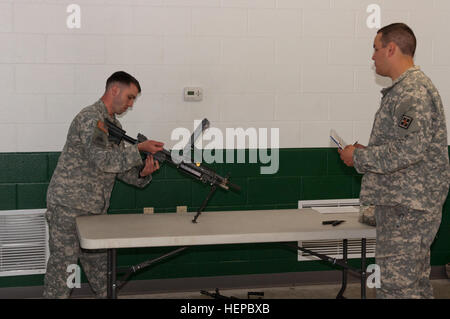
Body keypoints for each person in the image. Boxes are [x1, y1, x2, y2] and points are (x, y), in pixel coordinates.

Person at [339, 23, 449, 299]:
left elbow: (409, 150)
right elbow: (405, 145)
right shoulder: (407, 90)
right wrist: (368, 150)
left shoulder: (412, 92)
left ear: (391, 49)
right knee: (413, 287)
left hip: (408, 209)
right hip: (405, 206)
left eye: (375, 49)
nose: (372, 56)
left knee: (398, 289)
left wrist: (359, 157)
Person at [43, 71, 164, 298]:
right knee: (63, 275)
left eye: (134, 99)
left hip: (95, 213)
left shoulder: (112, 125)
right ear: (114, 89)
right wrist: (138, 149)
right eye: (130, 97)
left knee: (104, 278)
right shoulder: (92, 119)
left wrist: (142, 173)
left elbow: (118, 169)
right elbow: (103, 160)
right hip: (69, 208)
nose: (131, 104)